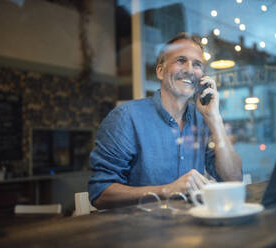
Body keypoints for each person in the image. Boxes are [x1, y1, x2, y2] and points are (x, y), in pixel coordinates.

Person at [88, 32, 242, 209]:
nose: (190, 70)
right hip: (140, 230)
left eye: (197, 64)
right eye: (181, 60)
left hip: (194, 229)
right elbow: (100, 192)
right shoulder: (126, 117)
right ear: (160, 71)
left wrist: (214, 117)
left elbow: (233, 179)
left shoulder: (203, 119)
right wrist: (166, 190)